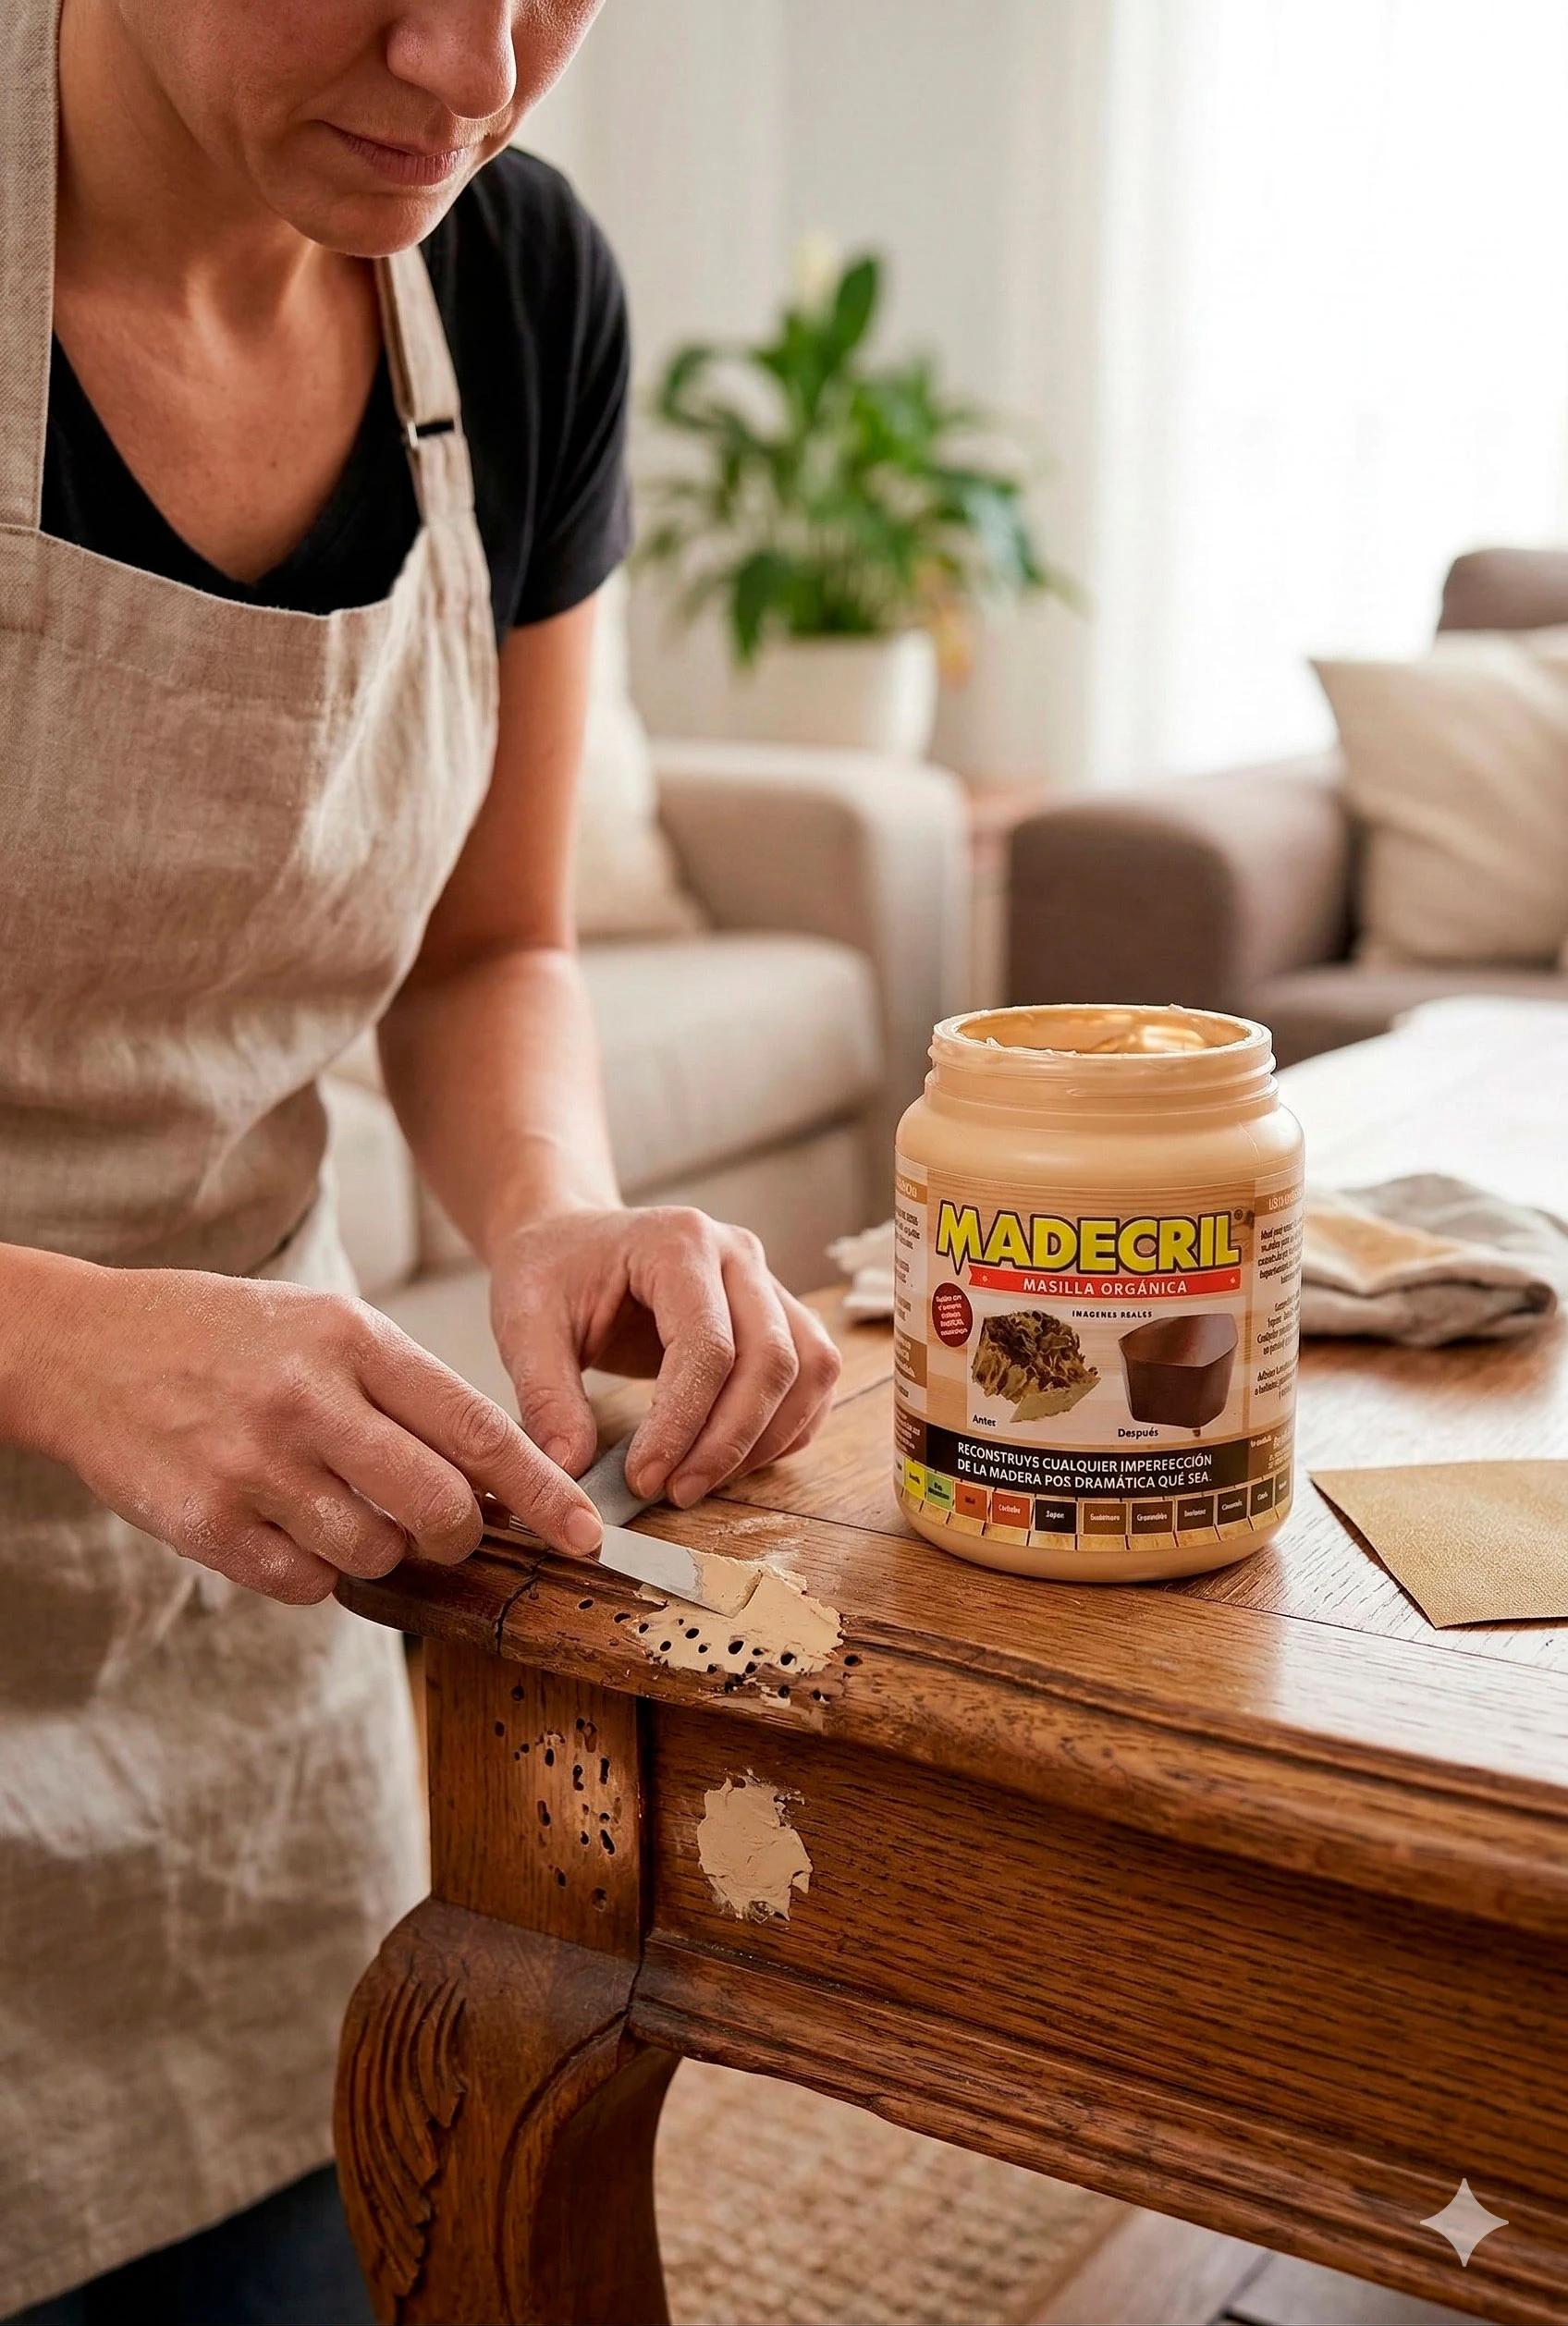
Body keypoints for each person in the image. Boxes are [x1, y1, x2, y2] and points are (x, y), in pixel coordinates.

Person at [0, 1, 841, 2318]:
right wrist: (57, 1334)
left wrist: (550, 1203)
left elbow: (488, 944)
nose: (469, 64)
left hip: (228, 1670)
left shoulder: (515, 287)